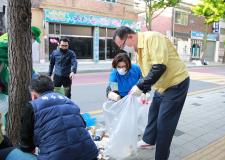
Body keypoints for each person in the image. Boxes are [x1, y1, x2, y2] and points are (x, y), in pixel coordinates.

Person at [113, 26, 190, 160]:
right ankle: (148, 140)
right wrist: (145, 91)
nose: (124, 49)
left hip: (176, 83)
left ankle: (161, 157)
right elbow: (147, 73)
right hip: (162, 86)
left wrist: (140, 86)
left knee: (164, 125)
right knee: (153, 113)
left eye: (123, 45)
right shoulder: (139, 51)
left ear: (130, 37)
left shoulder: (153, 38)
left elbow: (159, 66)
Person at [20, 75, 98, 160]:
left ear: (34, 95)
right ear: (52, 89)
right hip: (90, 154)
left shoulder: (32, 106)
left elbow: (26, 145)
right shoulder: (69, 101)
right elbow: (82, 124)